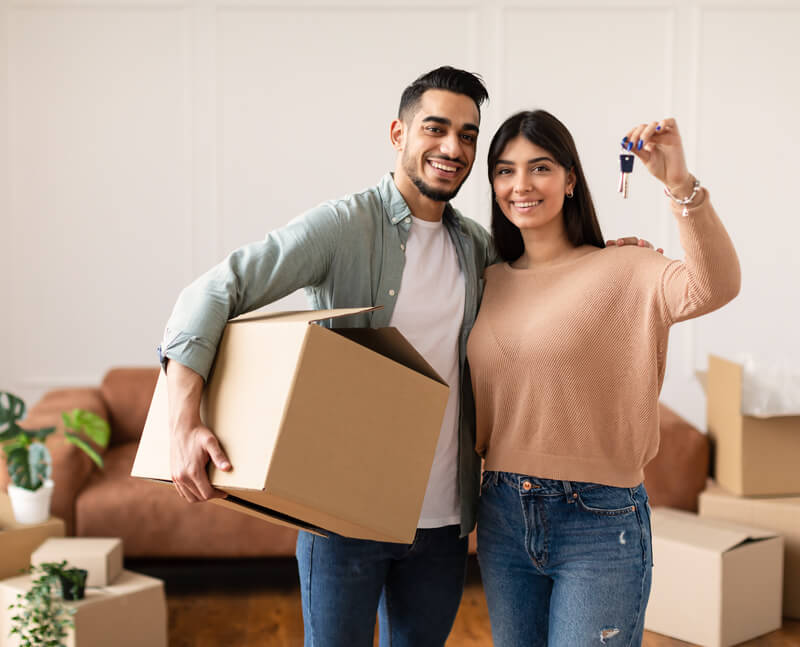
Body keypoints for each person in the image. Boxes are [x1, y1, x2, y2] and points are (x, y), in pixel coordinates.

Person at [159, 68, 651, 647]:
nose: (452, 148)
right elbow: (215, 291)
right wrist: (182, 421)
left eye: (467, 135)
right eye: (435, 129)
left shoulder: (477, 247)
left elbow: (545, 279)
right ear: (399, 134)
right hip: (342, 516)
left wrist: (602, 259)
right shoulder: (344, 227)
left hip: (442, 525)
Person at [466, 110, 740, 647]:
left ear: (570, 180)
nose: (521, 185)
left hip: (598, 519)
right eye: (505, 170)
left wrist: (680, 184)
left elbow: (717, 285)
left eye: (540, 167)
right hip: (501, 513)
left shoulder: (626, 269)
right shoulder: (486, 280)